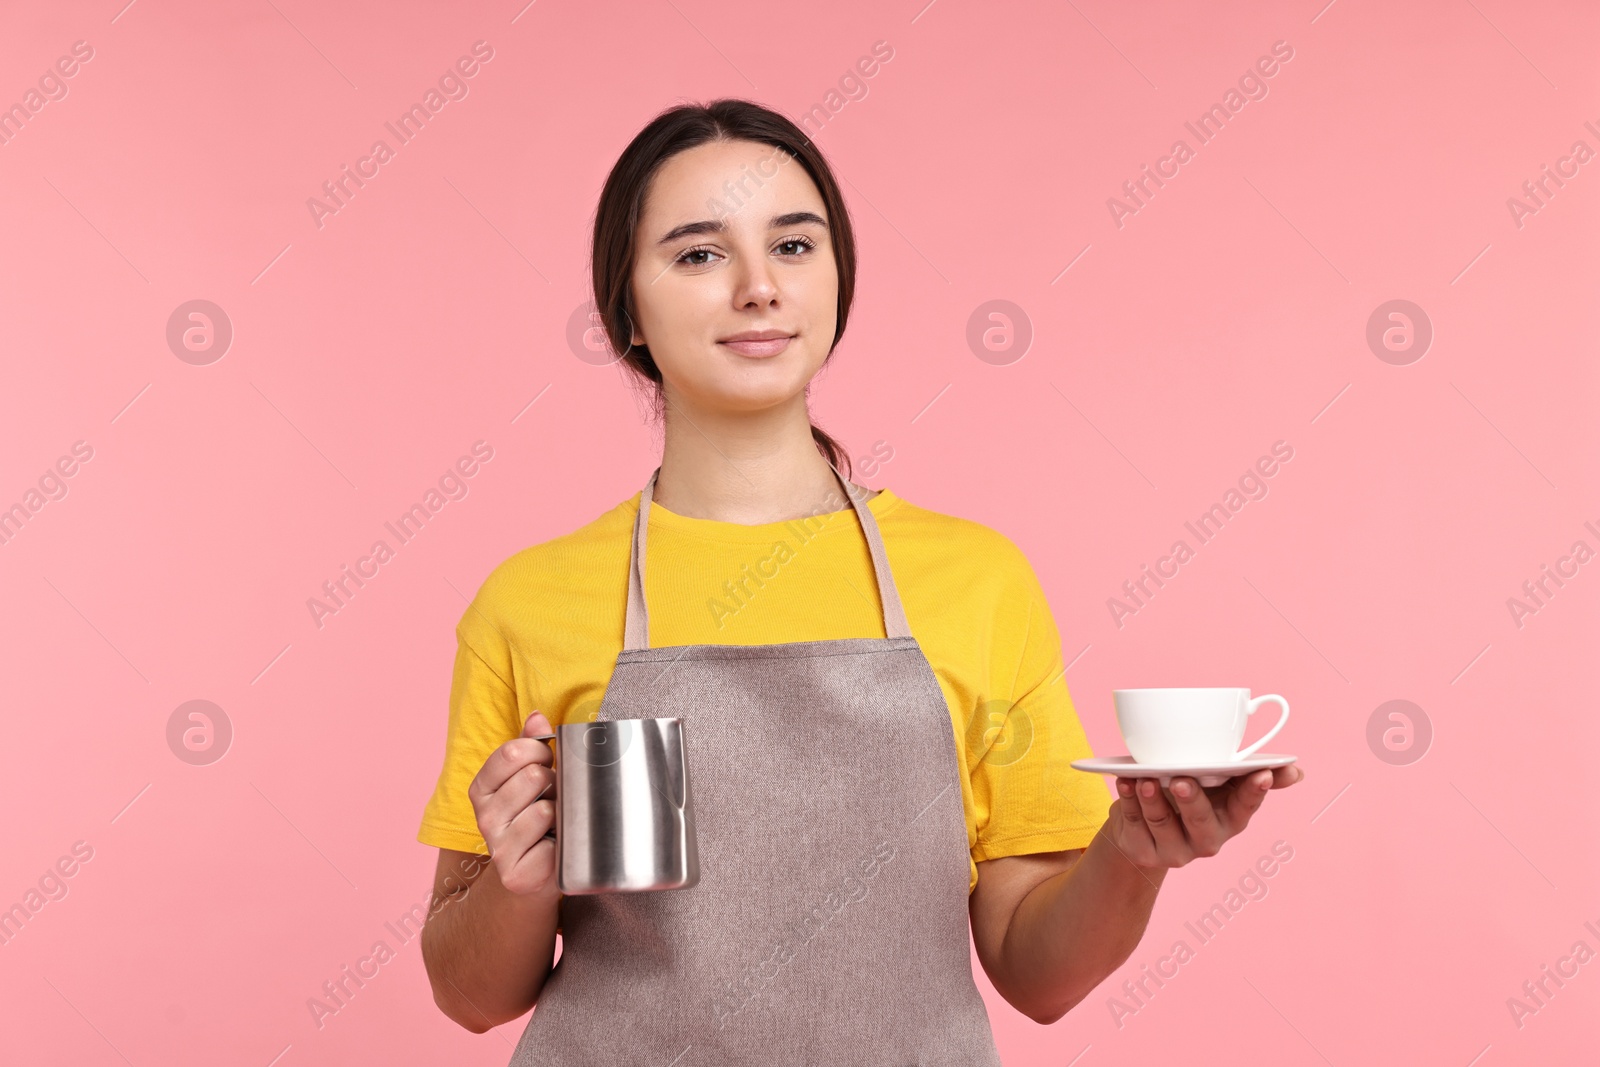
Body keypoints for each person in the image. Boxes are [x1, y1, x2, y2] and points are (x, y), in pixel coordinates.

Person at [416, 98, 1305, 1062]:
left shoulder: (975, 580)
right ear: (625, 304)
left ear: (838, 276)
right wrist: (518, 880)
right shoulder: (529, 602)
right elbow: (469, 996)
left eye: (794, 246)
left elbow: (1035, 973)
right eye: (699, 254)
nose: (758, 288)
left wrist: (1133, 856)